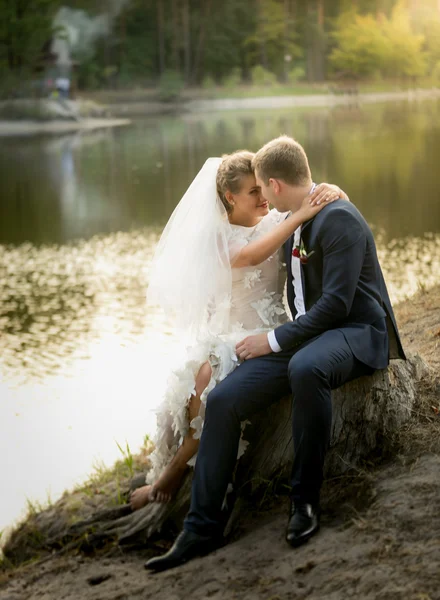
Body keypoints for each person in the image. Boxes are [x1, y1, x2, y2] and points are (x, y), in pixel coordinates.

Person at [145, 136, 405, 573]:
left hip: (353, 332)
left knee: (307, 367)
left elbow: (336, 307)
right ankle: (201, 526)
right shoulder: (288, 218)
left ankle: (304, 501)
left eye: (261, 190)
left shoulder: (337, 218)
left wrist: (272, 340)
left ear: (274, 185)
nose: (261, 200)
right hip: (307, 333)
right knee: (223, 399)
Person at [130, 151, 346, 510]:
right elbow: (251, 256)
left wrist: (329, 191)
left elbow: (306, 192)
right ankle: (173, 470)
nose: (263, 198)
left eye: (263, 189)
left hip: (270, 328)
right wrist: (299, 217)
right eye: (252, 192)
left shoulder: (275, 216)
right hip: (228, 332)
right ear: (230, 197)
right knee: (196, 382)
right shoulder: (216, 236)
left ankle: (173, 474)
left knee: (210, 379)